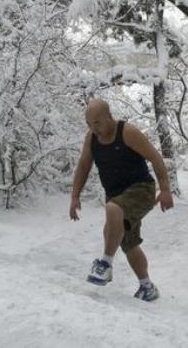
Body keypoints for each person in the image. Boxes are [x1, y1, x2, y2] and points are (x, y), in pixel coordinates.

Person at [69, 99, 174, 302]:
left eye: (97, 122)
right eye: (89, 123)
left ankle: (105, 264)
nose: (93, 128)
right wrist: (75, 196)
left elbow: (156, 158)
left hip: (141, 189)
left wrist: (166, 189)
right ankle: (147, 287)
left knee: (113, 209)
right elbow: (83, 166)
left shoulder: (127, 132)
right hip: (116, 195)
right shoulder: (91, 139)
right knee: (127, 242)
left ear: (109, 117)